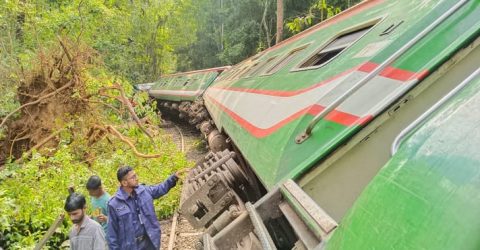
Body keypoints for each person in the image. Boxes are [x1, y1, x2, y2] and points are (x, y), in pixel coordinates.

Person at [107, 166, 180, 250]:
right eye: (133, 177)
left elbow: (159, 189)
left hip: (150, 242)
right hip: (131, 246)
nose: (137, 178)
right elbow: (111, 234)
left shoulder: (144, 191)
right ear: (124, 183)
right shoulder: (114, 204)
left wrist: (173, 178)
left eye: (136, 175)